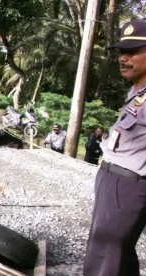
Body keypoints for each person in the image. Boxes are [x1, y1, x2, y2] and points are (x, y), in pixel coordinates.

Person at [83, 19, 146, 275]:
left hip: (129, 185)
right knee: (117, 256)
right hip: (113, 181)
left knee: (105, 258)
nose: (123, 58)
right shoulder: (137, 91)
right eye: (121, 51)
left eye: (132, 52)